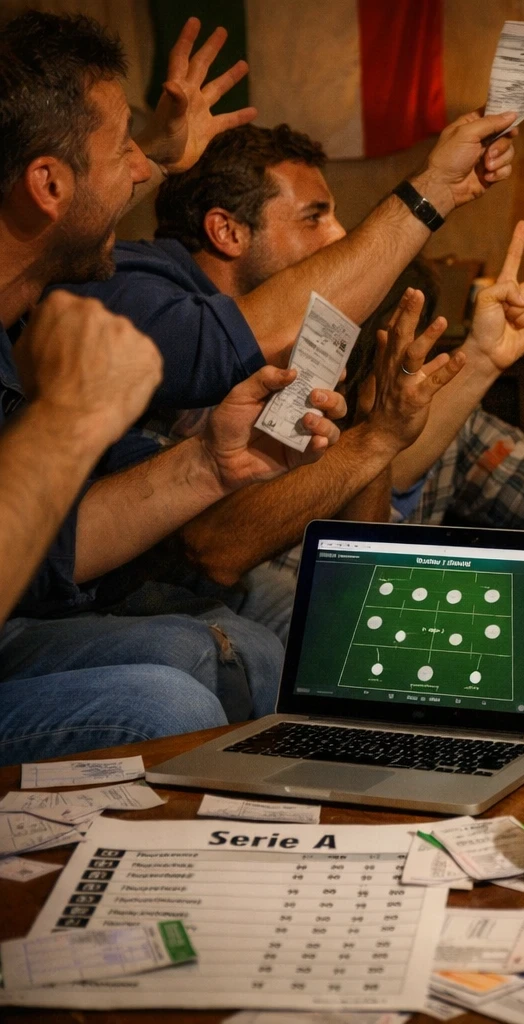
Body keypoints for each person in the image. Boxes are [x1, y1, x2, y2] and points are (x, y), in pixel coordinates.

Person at [68, 123, 524, 640]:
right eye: (315, 218)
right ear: (226, 231)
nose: (343, 238)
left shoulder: (400, 382)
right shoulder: (179, 365)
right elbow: (222, 548)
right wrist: (378, 437)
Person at [0, 11, 335, 755]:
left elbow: (53, 547)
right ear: (47, 183)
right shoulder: (129, 293)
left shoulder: (21, 311)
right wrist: (67, 416)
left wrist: (209, 463)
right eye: (126, 146)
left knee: (239, 646)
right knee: (166, 696)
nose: (147, 169)